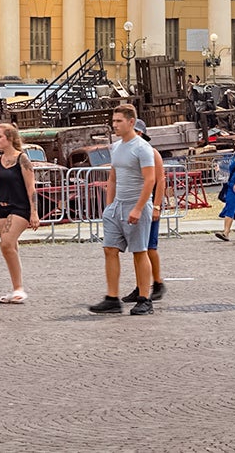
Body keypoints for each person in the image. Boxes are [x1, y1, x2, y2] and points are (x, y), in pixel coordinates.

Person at [88, 104, 158, 316]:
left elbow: (150, 180)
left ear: (131, 122)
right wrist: (109, 206)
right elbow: (113, 177)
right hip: (117, 206)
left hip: (137, 204)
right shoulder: (116, 147)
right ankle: (112, 298)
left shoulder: (142, 148)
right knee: (109, 249)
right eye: (113, 120)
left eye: (118, 121)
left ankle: (145, 299)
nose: (114, 124)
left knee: (139, 251)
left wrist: (138, 208)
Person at [0, 122, 38, 304]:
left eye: (0, 136)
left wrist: (34, 212)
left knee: (6, 244)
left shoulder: (22, 159)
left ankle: (19, 288)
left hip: (19, 206)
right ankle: (16, 287)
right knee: (10, 248)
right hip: (1, 207)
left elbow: (30, 187)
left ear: (9, 138)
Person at [127, 119, 168, 303]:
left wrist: (157, 205)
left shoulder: (152, 153)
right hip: (133, 204)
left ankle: (158, 282)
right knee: (137, 248)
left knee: (150, 247)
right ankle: (140, 286)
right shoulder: (128, 152)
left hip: (149, 204)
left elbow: (160, 181)